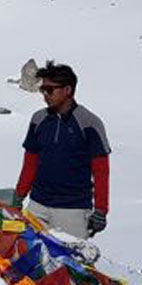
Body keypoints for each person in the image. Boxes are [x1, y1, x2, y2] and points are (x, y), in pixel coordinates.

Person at [13, 62, 111, 239]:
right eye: (43, 90)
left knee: (72, 256)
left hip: (73, 210)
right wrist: (18, 196)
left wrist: (101, 210)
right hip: (37, 206)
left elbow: (101, 171)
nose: (45, 95)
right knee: (30, 254)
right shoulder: (38, 120)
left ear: (67, 90)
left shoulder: (89, 123)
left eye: (50, 90)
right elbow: (30, 163)